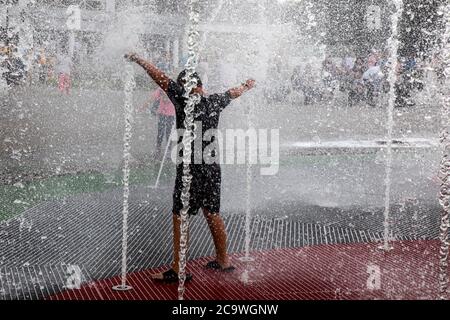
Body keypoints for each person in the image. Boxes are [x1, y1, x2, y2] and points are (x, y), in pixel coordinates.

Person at [125, 52, 256, 283]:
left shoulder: (181, 98)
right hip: (212, 167)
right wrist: (246, 85)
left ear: (184, 87)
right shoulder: (214, 101)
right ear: (202, 87)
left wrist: (140, 60)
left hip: (190, 169)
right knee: (212, 212)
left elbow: (159, 77)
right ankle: (223, 260)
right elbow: (232, 93)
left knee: (180, 214)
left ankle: (179, 269)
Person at [141, 87, 176, 160]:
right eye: (164, 97)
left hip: (171, 115)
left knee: (169, 133)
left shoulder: (173, 90)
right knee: (160, 132)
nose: (165, 99)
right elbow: (151, 99)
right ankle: (158, 149)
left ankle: (169, 151)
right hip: (162, 114)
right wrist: (143, 106)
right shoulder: (160, 90)